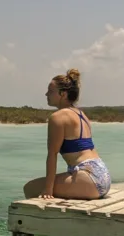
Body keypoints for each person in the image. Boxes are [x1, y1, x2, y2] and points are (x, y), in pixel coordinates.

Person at [23, 69, 111, 200]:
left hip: (88, 178)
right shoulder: (81, 114)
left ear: (63, 94)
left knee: (30, 188)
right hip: (103, 175)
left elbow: (52, 155)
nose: (46, 94)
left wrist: (48, 188)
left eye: (50, 91)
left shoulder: (58, 117)